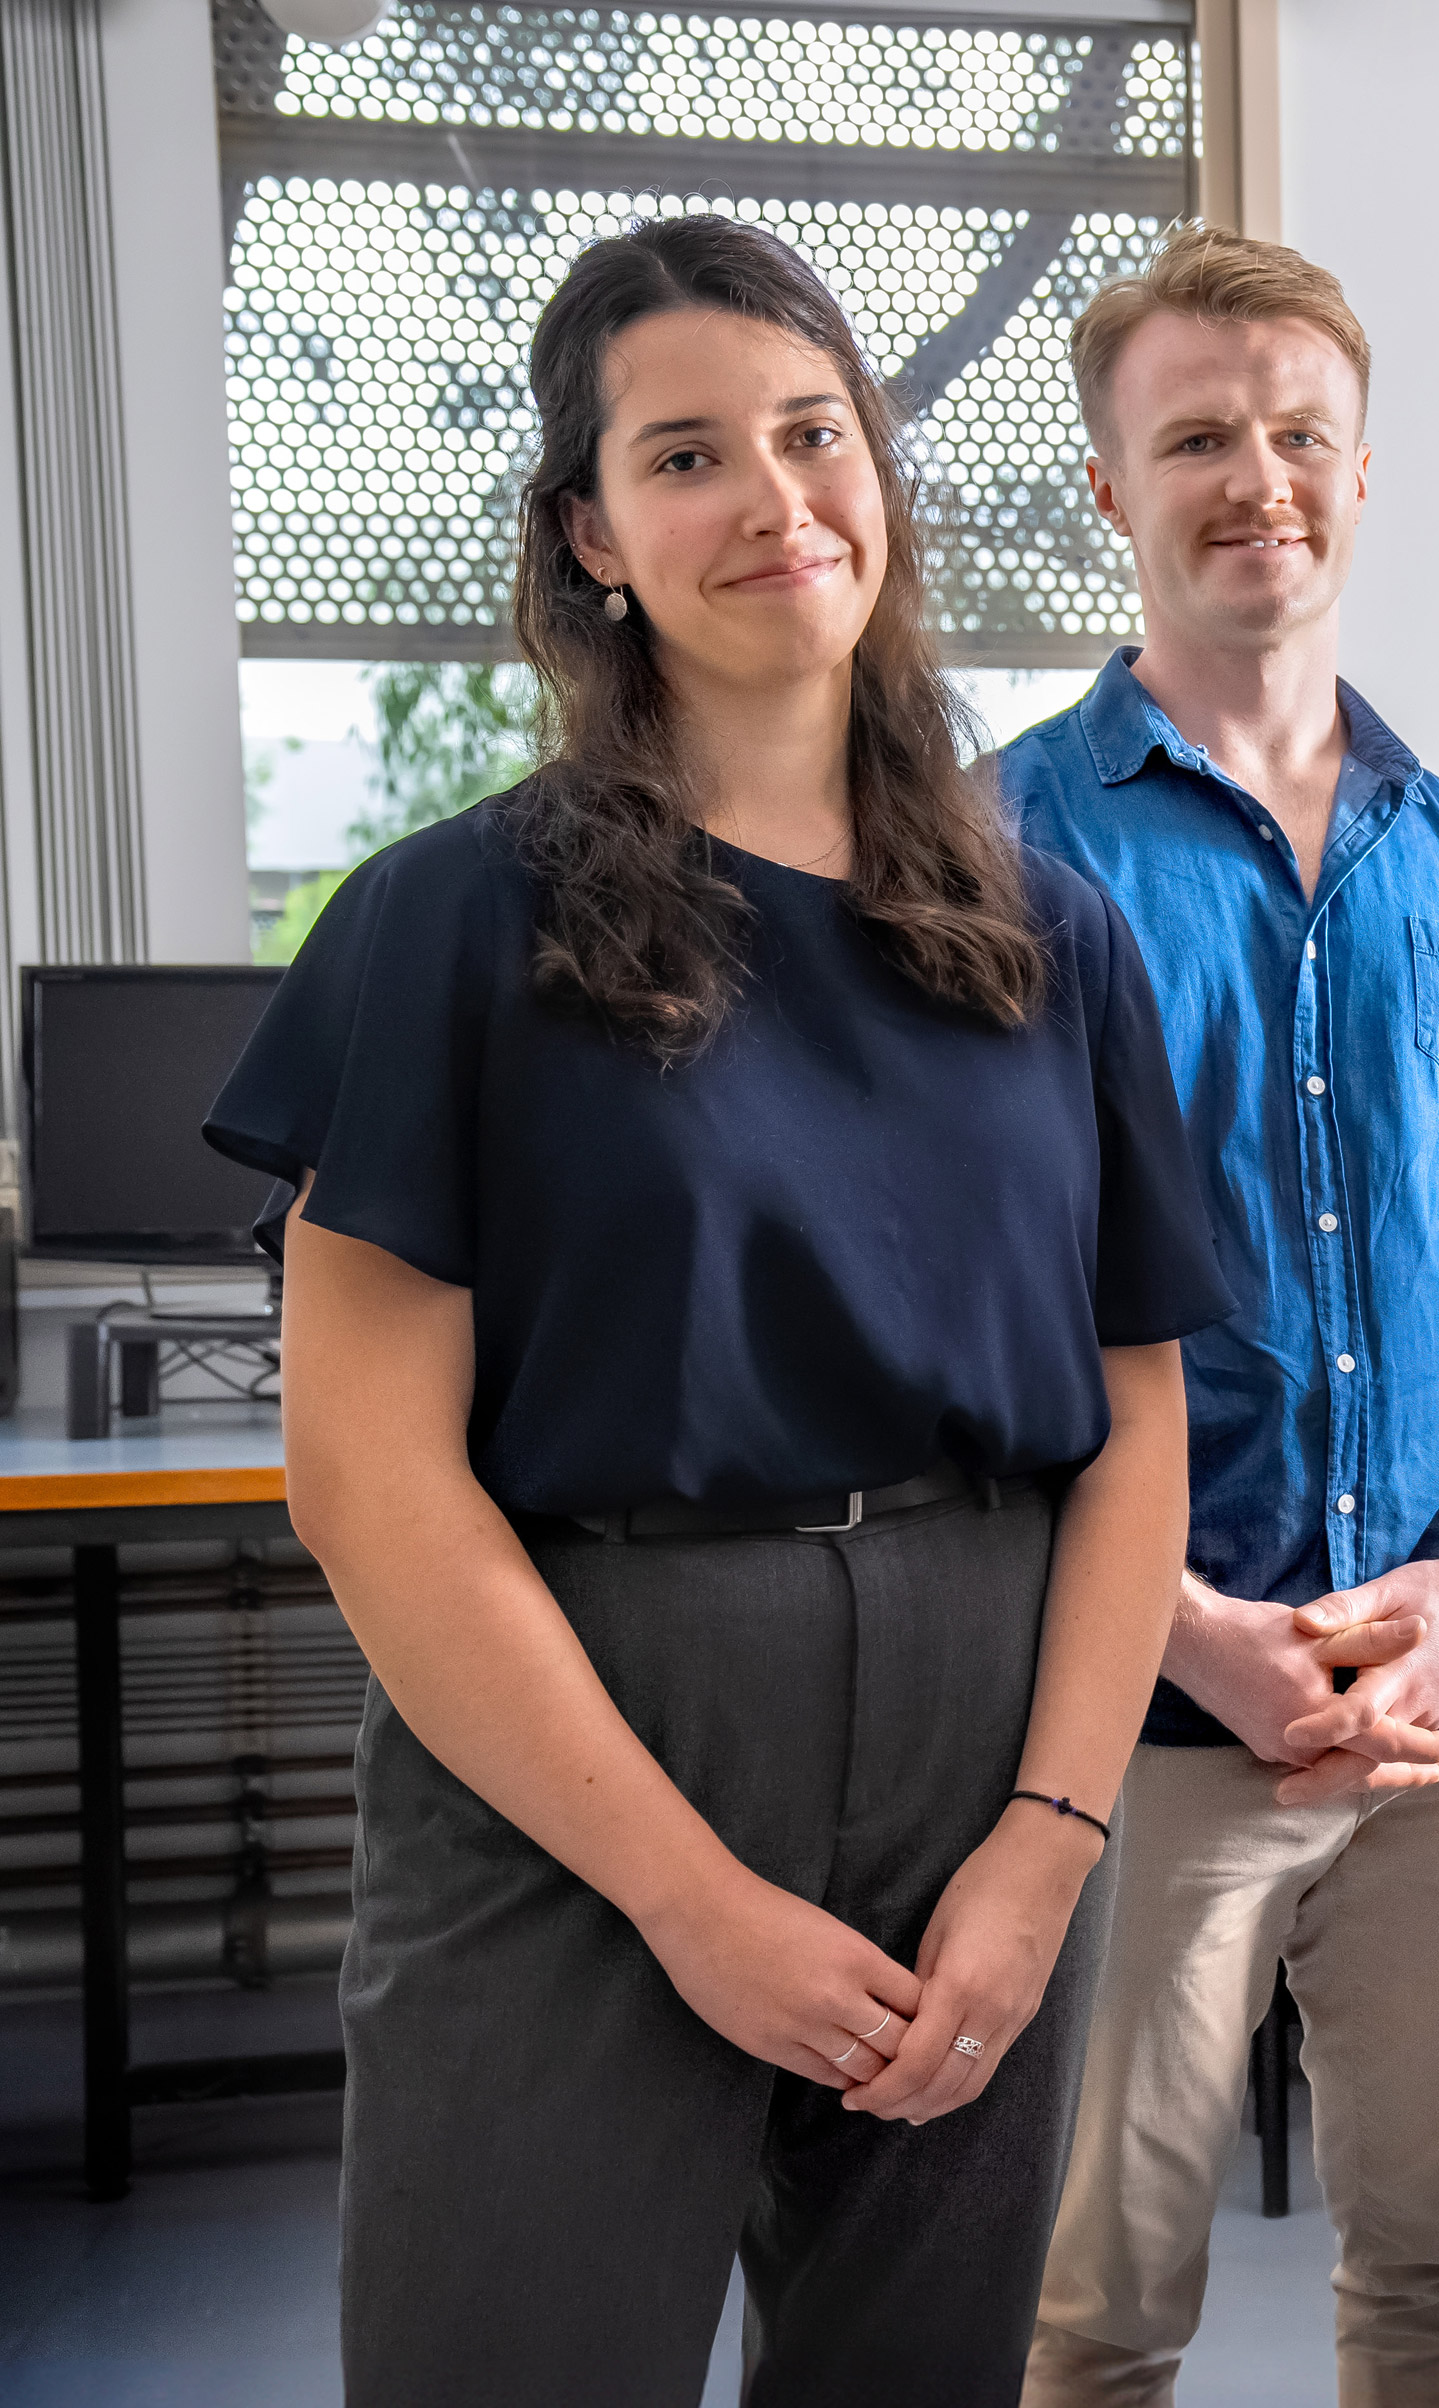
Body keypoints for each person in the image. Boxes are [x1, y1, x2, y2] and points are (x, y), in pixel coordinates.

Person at [203, 216, 1228, 2407]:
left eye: (812, 432)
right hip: (586, 1753)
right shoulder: (439, 926)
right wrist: (684, 1891)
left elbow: (1135, 1429)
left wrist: (1048, 1852)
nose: (775, 502)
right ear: (588, 530)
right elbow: (365, 1475)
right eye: (685, 456)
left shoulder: (1055, 940)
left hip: (987, 1743)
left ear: (880, 471)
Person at [1003, 226, 1439, 2407]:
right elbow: (957, 1321)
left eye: (1298, 434)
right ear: (1109, 485)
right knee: (1085, 2315)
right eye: (1195, 435)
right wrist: (1186, 1623)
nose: (1252, 477)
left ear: (1365, 473)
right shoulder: (987, 856)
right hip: (1137, 1715)